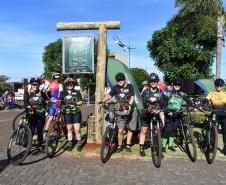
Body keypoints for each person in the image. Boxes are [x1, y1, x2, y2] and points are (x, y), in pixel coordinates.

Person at [103, 72, 135, 153]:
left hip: (131, 110)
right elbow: (109, 95)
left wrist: (129, 105)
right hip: (120, 110)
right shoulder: (115, 88)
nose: (120, 81)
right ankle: (120, 145)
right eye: (118, 80)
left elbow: (132, 96)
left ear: (124, 79)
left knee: (130, 128)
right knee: (120, 130)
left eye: (121, 79)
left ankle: (127, 145)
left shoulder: (130, 86)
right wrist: (103, 101)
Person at [161, 77, 193, 153]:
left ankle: (170, 145)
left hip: (178, 114)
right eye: (176, 84)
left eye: (179, 85)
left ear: (180, 85)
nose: (177, 86)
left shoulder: (182, 94)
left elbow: (189, 101)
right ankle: (163, 146)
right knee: (167, 130)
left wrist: (192, 105)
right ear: (173, 85)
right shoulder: (169, 93)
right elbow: (164, 104)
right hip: (169, 113)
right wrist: (167, 111)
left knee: (173, 130)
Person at [139, 73, 165, 156]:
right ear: (149, 82)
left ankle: (158, 148)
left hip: (156, 113)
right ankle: (141, 148)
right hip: (147, 113)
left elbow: (162, 103)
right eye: (151, 81)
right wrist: (147, 108)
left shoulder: (160, 91)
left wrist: (161, 109)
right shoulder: (146, 91)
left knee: (157, 131)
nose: (153, 82)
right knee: (144, 131)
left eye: (155, 81)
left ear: (157, 81)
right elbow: (144, 102)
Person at [24, 77, 48, 152]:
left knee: (39, 130)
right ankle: (28, 146)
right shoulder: (27, 92)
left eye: (37, 85)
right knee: (31, 130)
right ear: (31, 85)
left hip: (40, 114)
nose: (35, 86)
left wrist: (47, 109)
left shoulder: (41, 93)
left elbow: (47, 101)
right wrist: (28, 107)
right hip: (31, 114)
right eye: (33, 85)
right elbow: (26, 102)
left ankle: (40, 145)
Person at [206, 78, 226, 155]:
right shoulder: (211, 93)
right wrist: (204, 102)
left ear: (222, 86)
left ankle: (225, 147)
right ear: (215, 86)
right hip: (215, 114)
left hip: (224, 115)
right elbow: (206, 99)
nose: (219, 86)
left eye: (220, 85)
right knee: (213, 131)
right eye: (217, 85)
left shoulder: (225, 94)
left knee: (225, 131)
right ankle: (212, 146)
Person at [62, 77, 83, 151]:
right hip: (67, 113)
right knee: (69, 129)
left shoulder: (77, 92)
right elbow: (60, 102)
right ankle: (70, 143)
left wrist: (75, 104)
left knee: (77, 129)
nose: (69, 85)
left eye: (71, 83)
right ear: (65, 85)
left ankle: (79, 143)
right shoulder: (63, 93)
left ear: (73, 84)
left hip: (76, 112)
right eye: (68, 84)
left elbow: (81, 101)